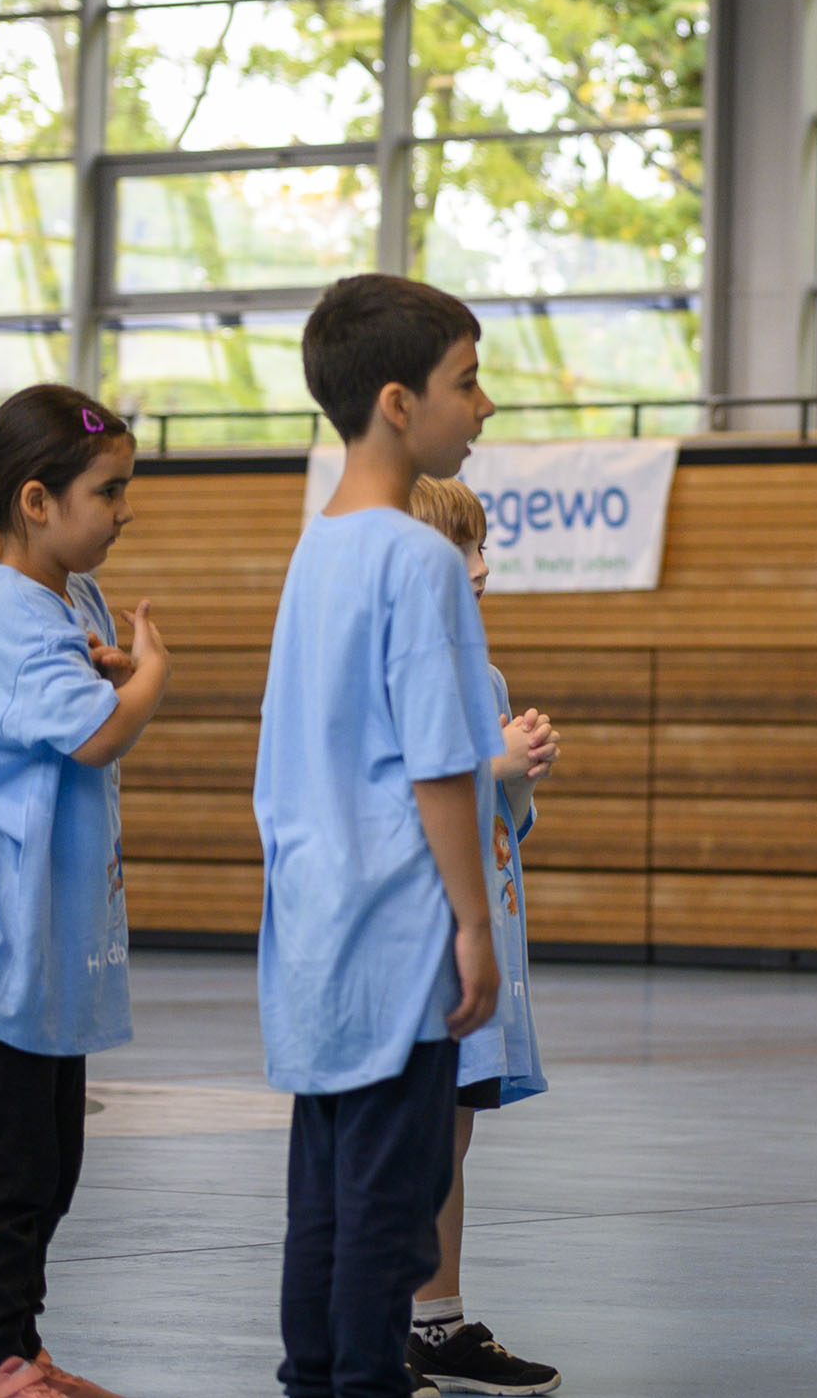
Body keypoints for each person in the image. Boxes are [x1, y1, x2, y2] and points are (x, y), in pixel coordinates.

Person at [258, 275, 508, 1398]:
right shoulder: (417, 560)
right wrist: (472, 921)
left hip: (314, 933)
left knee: (325, 1194)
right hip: (399, 930)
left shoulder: (318, 551)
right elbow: (442, 764)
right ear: (400, 403)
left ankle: (313, 1377)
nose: (486, 405)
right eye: (469, 381)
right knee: (392, 1211)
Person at [0, 385, 172, 1398]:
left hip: (44, 929)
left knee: (54, 1158)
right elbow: (100, 730)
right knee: (8, 1164)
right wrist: (147, 675)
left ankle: (19, 1342)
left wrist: (104, 660)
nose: (125, 508)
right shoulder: (10, 610)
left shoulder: (71, 595)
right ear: (37, 501)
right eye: (110, 489)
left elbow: (73, 694)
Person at [401, 478, 563, 1398]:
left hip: (484, 943)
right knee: (409, 1141)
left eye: (482, 544)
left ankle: (438, 1319)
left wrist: (522, 772)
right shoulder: (399, 671)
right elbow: (403, 798)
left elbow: (501, 817)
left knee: (450, 1141)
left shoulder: (485, 676)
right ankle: (378, 1321)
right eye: (461, 550)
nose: (482, 565)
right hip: (422, 944)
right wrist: (489, 761)